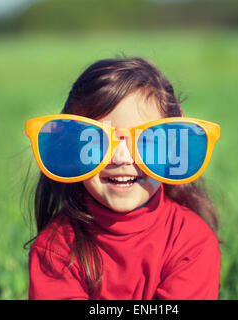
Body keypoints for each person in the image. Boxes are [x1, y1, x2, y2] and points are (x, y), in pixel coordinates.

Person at [25, 57, 221, 299]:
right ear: (73, 149)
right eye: (97, 141)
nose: (120, 157)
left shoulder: (192, 242)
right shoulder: (55, 249)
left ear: (172, 151)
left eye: (146, 141)